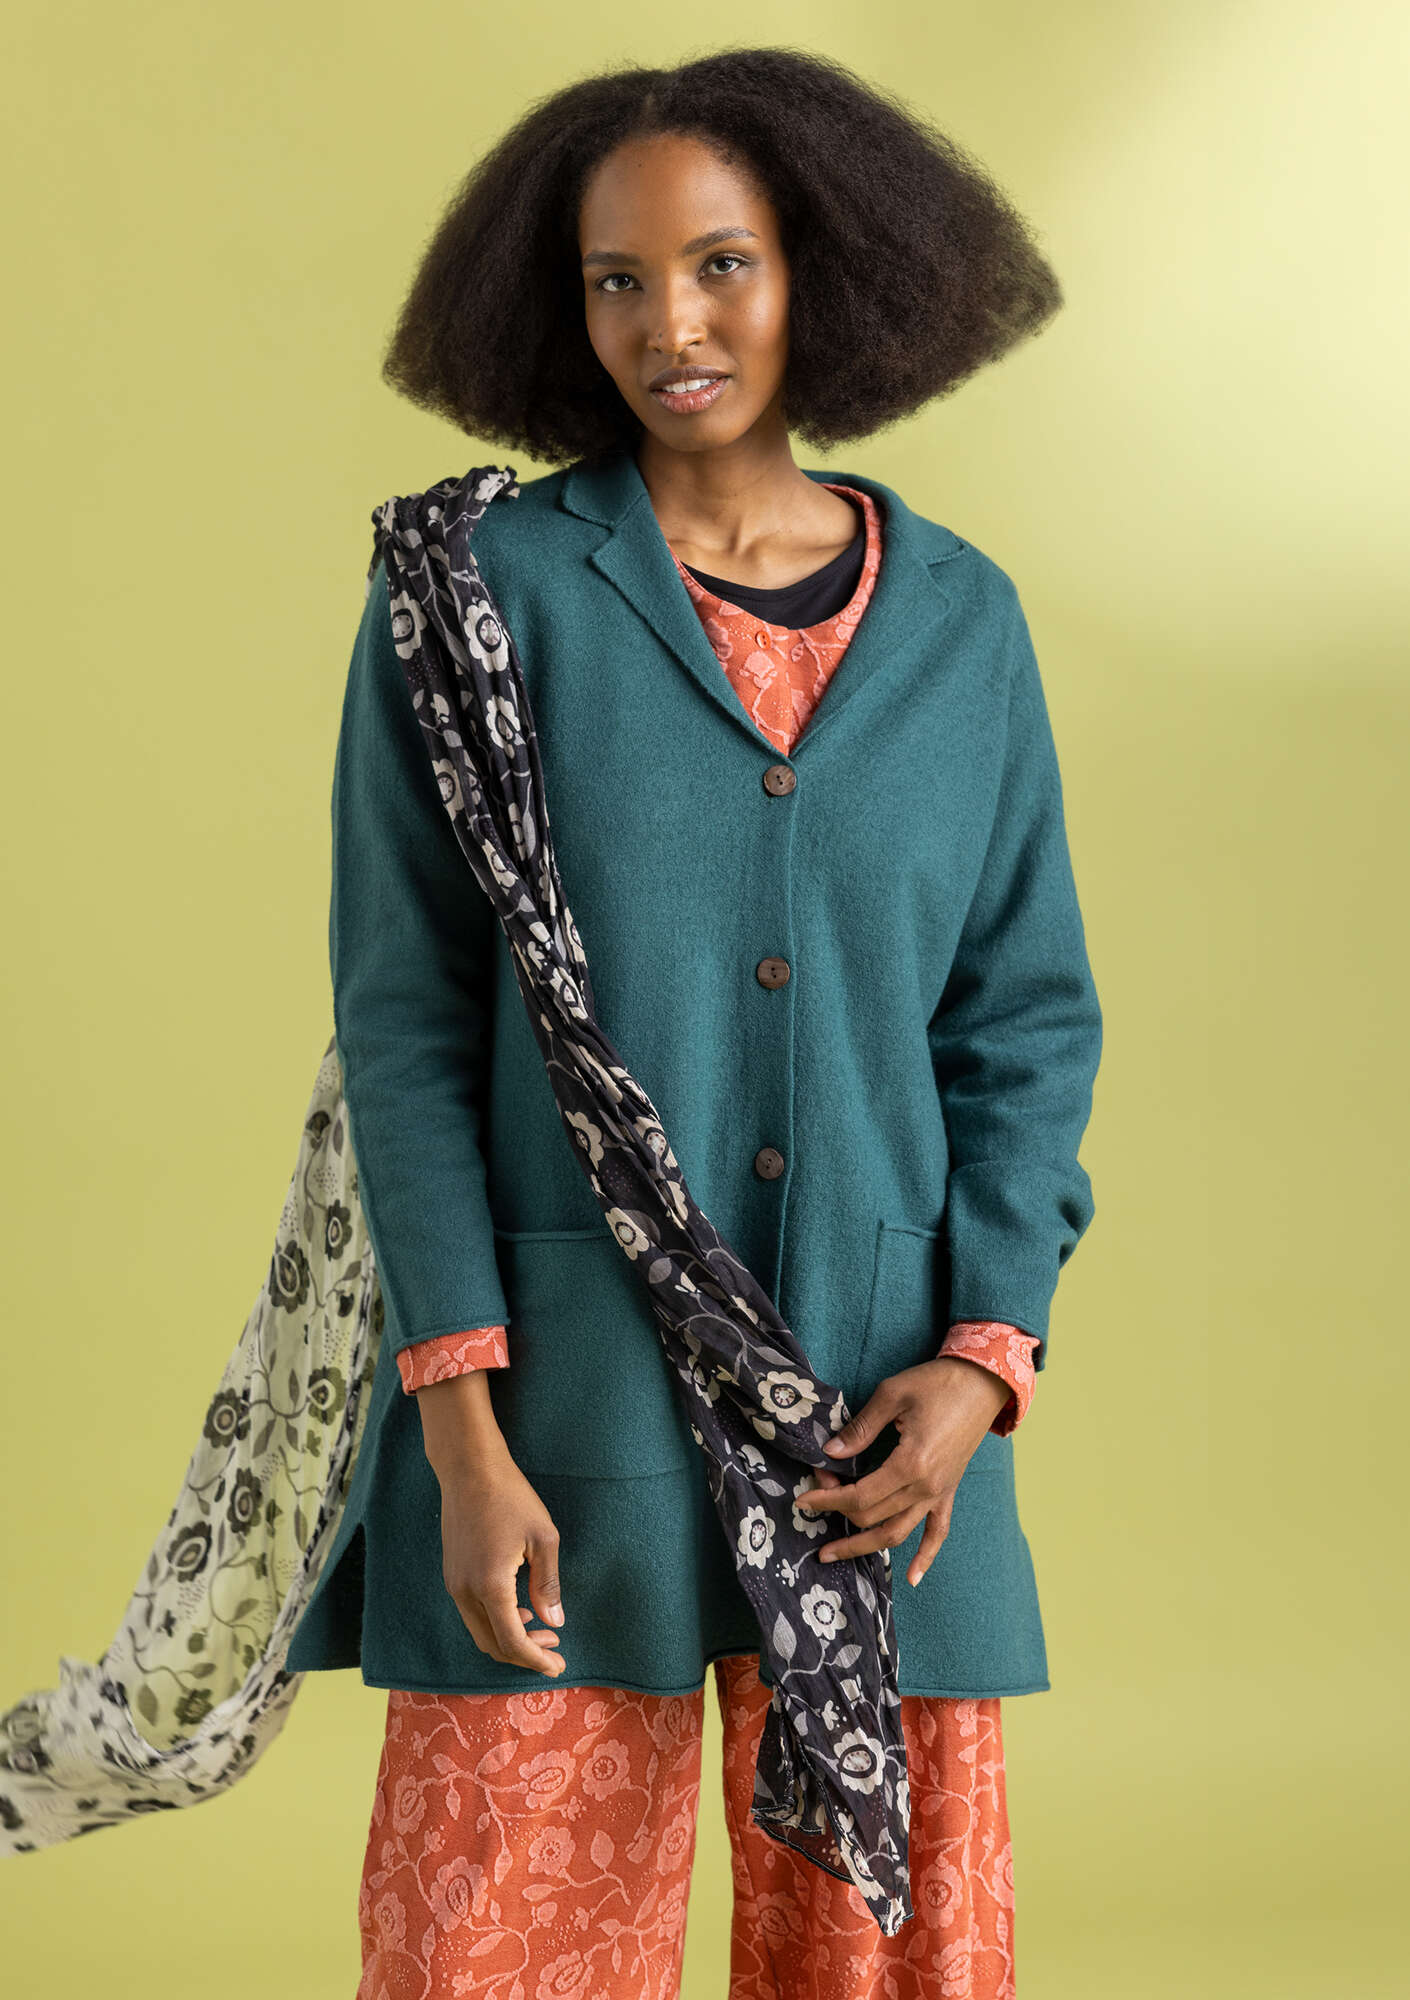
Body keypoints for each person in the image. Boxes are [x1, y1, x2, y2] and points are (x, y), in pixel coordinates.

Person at [284, 47, 1103, 2000]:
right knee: (494, 1953)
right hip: (561, 1427)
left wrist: (979, 1366)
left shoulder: (963, 625)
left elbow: (1022, 1025)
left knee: (888, 1970)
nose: (673, 325)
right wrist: (462, 1439)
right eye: (618, 280)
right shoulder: (476, 602)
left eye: (722, 264)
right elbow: (405, 1028)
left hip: (881, 1438)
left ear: (819, 269)